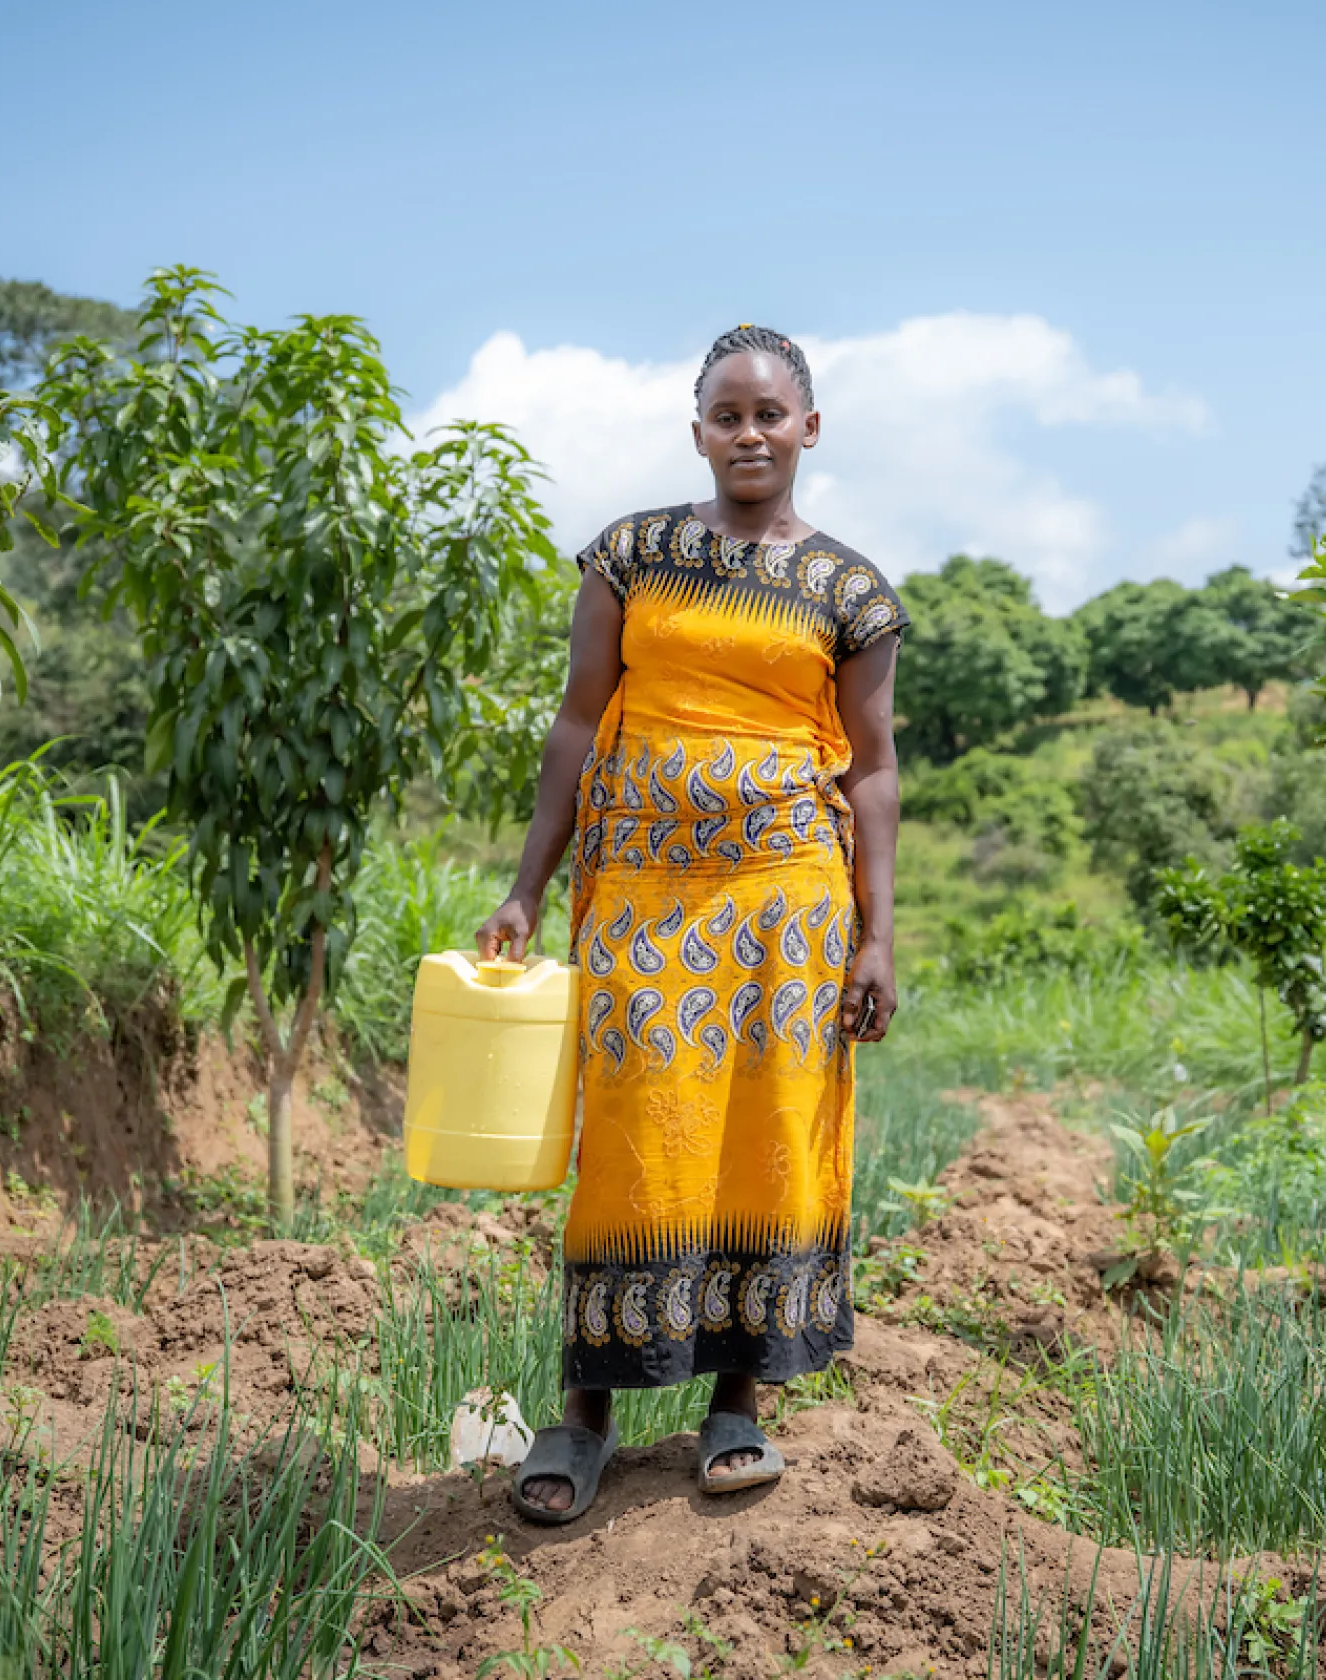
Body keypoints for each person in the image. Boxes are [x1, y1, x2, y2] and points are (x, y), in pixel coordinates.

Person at [476, 324, 906, 1524]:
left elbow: (872, 770)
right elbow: (576, 724)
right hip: (643, 903)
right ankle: (586, 1417)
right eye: (729, 414)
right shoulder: (631, 555)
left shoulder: (850, 590)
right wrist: (524, 883)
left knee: (764, 1134)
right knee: (628, 1141)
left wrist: (876, 934)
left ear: (809, 428)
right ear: (700, 429)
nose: (751, 433)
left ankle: (738, 1407)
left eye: (772, 414)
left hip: (787, 909)